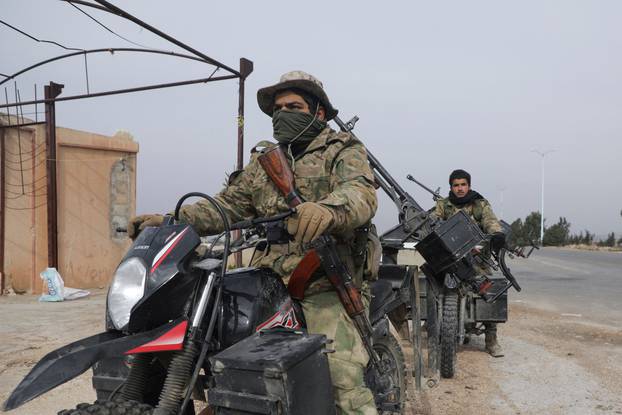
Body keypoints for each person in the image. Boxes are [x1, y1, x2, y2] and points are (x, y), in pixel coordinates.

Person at [128, 71, 379, 414]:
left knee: (340, 376)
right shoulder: (263, 163)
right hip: (266, 279)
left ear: (318, 112)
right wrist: (174, 220)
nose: (282, 113)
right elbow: (227, 206)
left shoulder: (344, 150)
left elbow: (361, 193)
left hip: (323, 281)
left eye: (294, 106)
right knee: (194, 341)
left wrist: (328, 210)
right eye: (277, 108)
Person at [434, 169, 506, 357]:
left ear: (469, 185)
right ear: (451, 187)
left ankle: (491, 340)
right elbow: (434, 220)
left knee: (489, 290)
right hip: (451, 256)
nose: (460, 188)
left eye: (463, 184)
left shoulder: (479, 203)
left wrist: (497, 234)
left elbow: (490, 221)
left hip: (477, 256)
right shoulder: (444, 204)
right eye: (456, 185)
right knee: (432, 284)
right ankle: (433, 325)